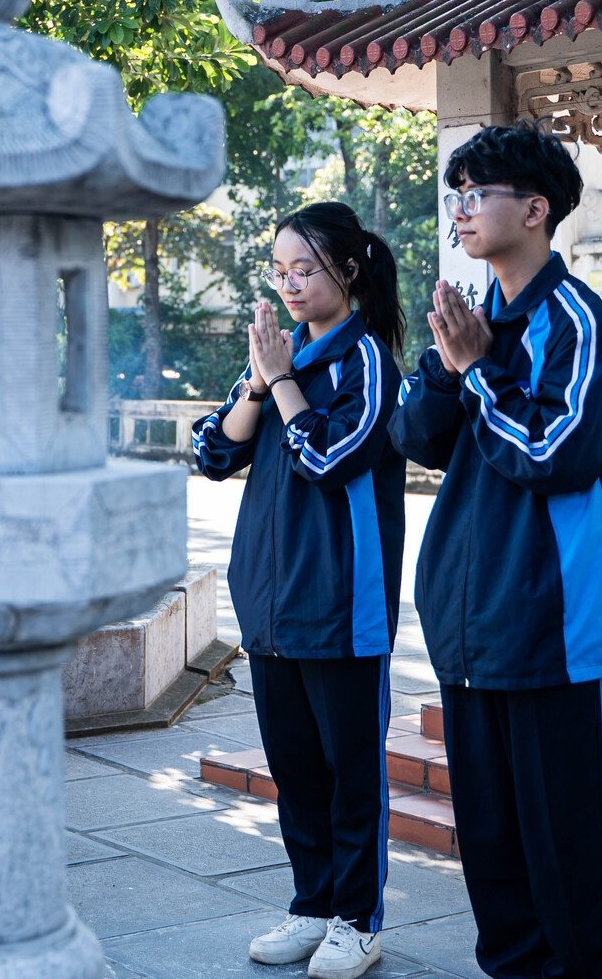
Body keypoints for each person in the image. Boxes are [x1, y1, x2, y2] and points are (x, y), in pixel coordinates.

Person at [388, 122, 602, 979]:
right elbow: (413, 438)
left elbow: (554, 454)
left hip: (554, 627)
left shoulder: (581, 326)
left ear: (536, 210)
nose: (461, 211)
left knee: (558, 848)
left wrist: (477, 374)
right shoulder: (473, 320)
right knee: (493, 848)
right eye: (455, 195)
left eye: (479, 194)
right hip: (473, 627)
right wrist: (447, 361)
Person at [191, 202, 406, 979]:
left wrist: (282, 379)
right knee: (296, 770)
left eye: (305, 269)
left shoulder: (367, 362)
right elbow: (212, 453)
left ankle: (358, 919)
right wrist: (260, 379)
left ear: (348, 271)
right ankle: (312, 905)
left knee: (352, 773)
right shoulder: (280, 357)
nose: (289, 283)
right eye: (280, 270)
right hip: (272, 607)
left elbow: (328, 457)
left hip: (344, 605)